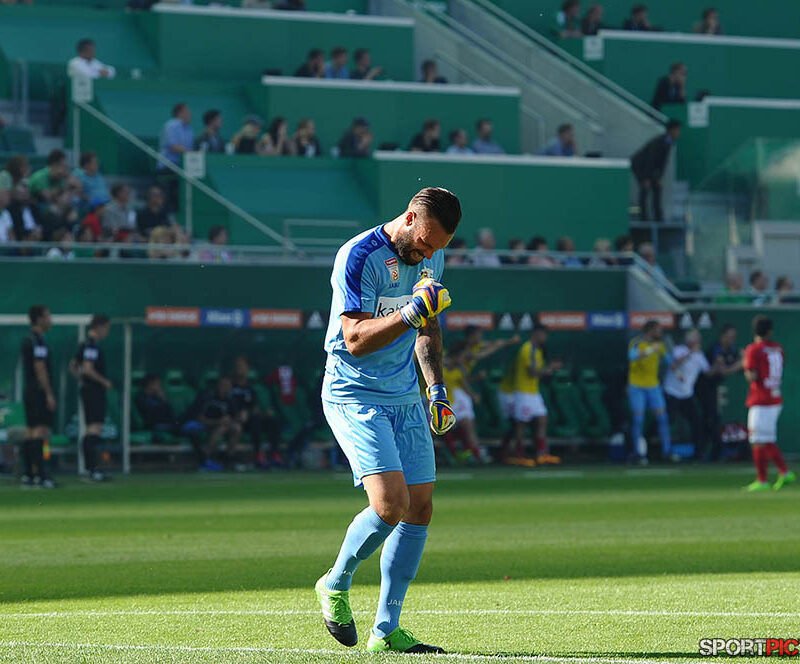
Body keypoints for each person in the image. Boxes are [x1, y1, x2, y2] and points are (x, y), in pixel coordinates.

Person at [315, 186, 462, 654]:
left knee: (420, 506)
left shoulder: (429, 256)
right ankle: (334, 584)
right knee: (390, 505)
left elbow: (428, 327)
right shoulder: (358, 256)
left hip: (405, 395)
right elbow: (355, 338)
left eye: (438, 250)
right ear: (411, 217)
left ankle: (387, 631)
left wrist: (435, 388)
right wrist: (410, 310)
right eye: (426, 243)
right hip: (354, 394)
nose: (428, 255)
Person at [742, 315, 795, 491]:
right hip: (775, 397)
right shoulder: (778, 349)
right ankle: (773, 475)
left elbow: (753, 376)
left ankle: (772, 476)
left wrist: (744, 364)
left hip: (761, 399)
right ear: (770, 331)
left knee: (759, 439)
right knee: (762, 440)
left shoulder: (753, 349)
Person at [503, 323, 562, 465]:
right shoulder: (527, 348)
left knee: (542, 419)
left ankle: (541, 453)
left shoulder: (538, 351)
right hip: (523, 392)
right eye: (542, 334)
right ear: (535, 333)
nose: (544, 337)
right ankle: (519, 455)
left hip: (534, 392)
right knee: (521, 424)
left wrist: (549, 370)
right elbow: (532, 372)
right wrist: (550, 368)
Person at [20, 305, 57, 489]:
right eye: (48, 316)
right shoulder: (37, 341)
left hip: (30, 390)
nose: (51, 320)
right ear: (40, 319)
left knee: (31, 432)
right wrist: (49, 393)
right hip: (38, 391)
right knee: (40, 432)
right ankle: (41, 476)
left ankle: (28, 474)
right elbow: (39, 367)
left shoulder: (29, 339)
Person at [72, 314, 112, 482]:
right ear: (99, 326)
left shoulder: (85, 345)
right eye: (107, 328)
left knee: (93, 428)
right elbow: (87, 368)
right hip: (94, 391)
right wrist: (104, 382)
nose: (107, 332)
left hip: (88, 389)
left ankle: (90, 469)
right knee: (94, 428)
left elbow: (73, 365)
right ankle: (91, 470)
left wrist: (81, 379)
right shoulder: (91, 345)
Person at [628, 319, 671, 462]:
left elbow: (669, 361)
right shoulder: (637, 342)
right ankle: (637, 453)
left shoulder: (661, 345)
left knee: (663, 418)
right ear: (650, 330)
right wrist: (650, 350)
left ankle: (666, 452)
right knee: (638, 419)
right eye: (658, 330)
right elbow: (632, 356)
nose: (660, 332)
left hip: (653, 386)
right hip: (636, 385)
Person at [697, 323, 743, 461]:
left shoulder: (731, 349)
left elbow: (739, 369)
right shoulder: (716, 349)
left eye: (734, 337)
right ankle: (708, 451)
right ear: (722, 336)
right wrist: (742, 361)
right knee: (710, 418)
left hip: (714, 387)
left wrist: (741, 362)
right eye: (729, 337)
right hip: (703, 387)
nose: (732, 340)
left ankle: (712, 452)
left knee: (713, 418)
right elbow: (723, 370)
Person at [663, 329, 710, 460]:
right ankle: (655, 449)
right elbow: (674, 365)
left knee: (697, 421)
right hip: (671, 392)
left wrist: (720, 367)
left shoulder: (700, 355)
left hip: (686, 395)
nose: (698, 341)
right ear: (690, 341)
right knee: (666, 420)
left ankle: (699, 453)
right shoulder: (679, 350)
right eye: (696, 338)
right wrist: (690, 354)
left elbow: (708, 371)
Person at [230, 355, 282, 468]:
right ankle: (258, 455)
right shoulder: (230, 385)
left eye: (242, 366)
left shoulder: (251, 387)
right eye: (238, 366)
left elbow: (254, 405)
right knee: (255, 421)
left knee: (272, 421)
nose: (240, 368)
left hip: (251, 420)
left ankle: (274, 454)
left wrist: (260, 411)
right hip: (235, 420)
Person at [183, 376, 241, 471]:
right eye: (224, 385)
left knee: (237, 428)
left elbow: (235, 417)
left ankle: (229, 458)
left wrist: (231, 420)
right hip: (203, 426)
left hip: (221, 426)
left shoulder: (230, 399)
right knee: (221, 428)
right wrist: (218, 422)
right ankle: (204, 460)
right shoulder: (207, 396)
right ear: (218, 385)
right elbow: (199, 418)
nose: (226, 388)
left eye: (228, 386)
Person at [439, 341, 483, 464]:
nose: (465, 359)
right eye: (463, 356)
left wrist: (473, 395)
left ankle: (476, 455)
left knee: (468, 423)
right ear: (457, 355)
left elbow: (465, 385)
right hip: (436, 403)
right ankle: (454, 454)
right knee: (441, 426)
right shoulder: (440, 365)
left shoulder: (460, 369)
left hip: (453, 402)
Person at [631, 120, 681, 222]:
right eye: (677, 130)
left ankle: (658, 217)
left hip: (649, 169)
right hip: (640, 165)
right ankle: (643, 218)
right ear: (672, 130)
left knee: (657, 188)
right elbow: (650, 159)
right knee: (644, 189)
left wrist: (659, 178)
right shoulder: (659, 142)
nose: (679, 133)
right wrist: (645, 178)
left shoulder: (668, 142)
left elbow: (662, 163)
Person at [135, 374, 179, 439]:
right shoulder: (141, 398)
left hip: (165, 425)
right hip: (151, 426)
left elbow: (171, 414)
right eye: (157, 385)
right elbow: (148, 415)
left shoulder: (157, 398)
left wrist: (164, 400)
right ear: (150, 385)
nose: (160, 387)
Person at [159, 103, 194, 167]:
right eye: (188, 112)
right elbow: (174, 147)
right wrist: (193, 154)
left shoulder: (188, 128)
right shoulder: (171, 125)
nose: (190, 114)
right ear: (180, 113)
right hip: (169, 164)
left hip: (184, 164)